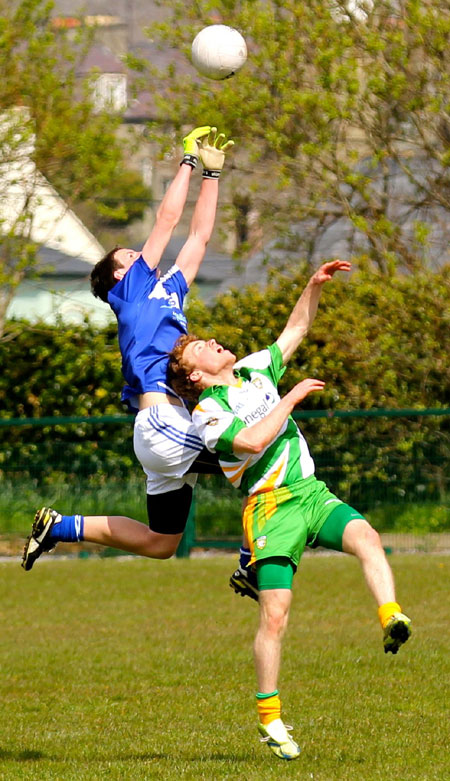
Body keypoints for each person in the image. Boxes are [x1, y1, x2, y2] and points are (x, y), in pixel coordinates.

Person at [167, 259, 412, 761]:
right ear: (195, 374)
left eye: (210, 339)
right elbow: (254, 440)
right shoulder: (207, 414)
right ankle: (270, 717)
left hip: (310, 492)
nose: (214, 343)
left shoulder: (256, 368)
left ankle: (391, 617)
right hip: (270, 509)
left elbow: (296, 329)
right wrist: (293, 396)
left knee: (366, 535)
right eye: (202, 348)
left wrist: (313, 286)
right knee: (275, 615)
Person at [22, 125, 239, 571]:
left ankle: (59, 527)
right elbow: (167, 221)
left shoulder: (166, 292)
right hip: (162, 423)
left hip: (168, 423)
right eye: (128, 257)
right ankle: (257, 561)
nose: (138, 258)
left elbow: (197, 239)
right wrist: (187, 162)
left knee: (162, 542)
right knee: (256, 457)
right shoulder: (131, 292)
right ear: (120, 277)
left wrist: (213, 179)